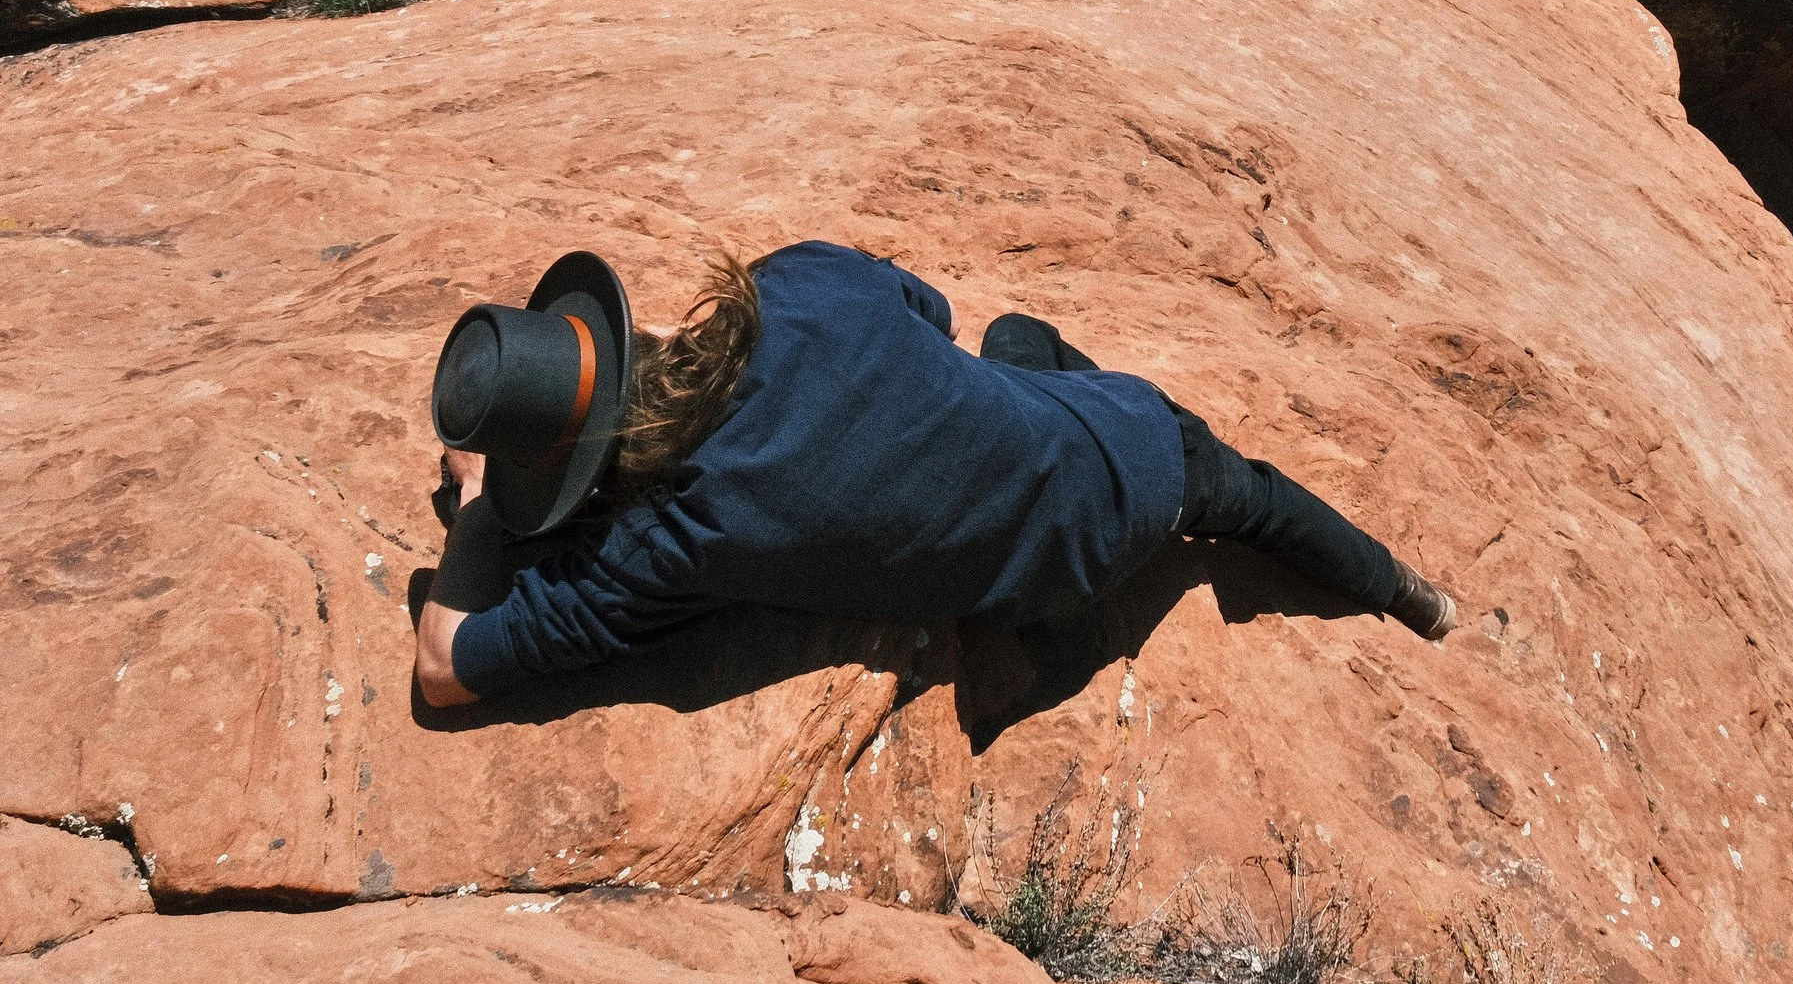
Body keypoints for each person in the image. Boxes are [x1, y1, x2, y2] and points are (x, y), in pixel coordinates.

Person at [415, 242, 1459, 707]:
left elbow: (445, 668)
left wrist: (476, 521)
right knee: (1245, 490)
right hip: (1140, 444)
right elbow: (934, 314)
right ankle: (1413, 596)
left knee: (1019, 352)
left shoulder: (658, 551)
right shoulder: (794, 285)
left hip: (1056, 577)